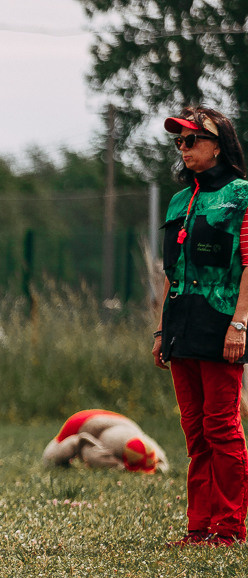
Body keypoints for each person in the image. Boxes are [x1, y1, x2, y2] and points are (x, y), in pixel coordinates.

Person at [153, 106, 248, 546]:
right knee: (194, 431)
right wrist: (160, 331)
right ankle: (198, 528)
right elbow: (172, 273)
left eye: (192, 139)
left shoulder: (242, 195)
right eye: (180, 142)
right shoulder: (178, 200)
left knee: (221, 427)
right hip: (180, 327)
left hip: (221, 324)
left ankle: (228, 528)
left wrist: (240, 324)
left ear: (218, 143)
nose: (184, 148)